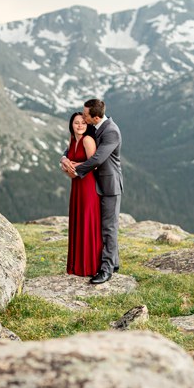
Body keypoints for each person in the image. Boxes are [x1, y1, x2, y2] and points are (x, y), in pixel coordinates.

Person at [61, 98, 123, 284]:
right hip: (97, 184)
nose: (83, 118)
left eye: (85, 115)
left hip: (109, 186)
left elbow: (97, 159)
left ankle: (106, 271)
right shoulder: (96, 128)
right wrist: (64, 158)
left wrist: (74, 169)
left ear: (95, 117)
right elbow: (71, 146)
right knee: (105, 227)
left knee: (109, 228)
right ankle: (114, 263)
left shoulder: (111, 131)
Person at [61, 111, 102, 277]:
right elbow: (66, 156)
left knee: (86, 222)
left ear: (87, 125)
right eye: (76, 122)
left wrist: (75, 167)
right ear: (72, 124)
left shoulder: (87, 140)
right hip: (76, 185)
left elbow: (95, 164)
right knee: (78, 221)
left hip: (88, 186)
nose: (79, 125)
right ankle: (77, 266)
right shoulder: (72, 141)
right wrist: (64, 162)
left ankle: (90, 266)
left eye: (83, 123)